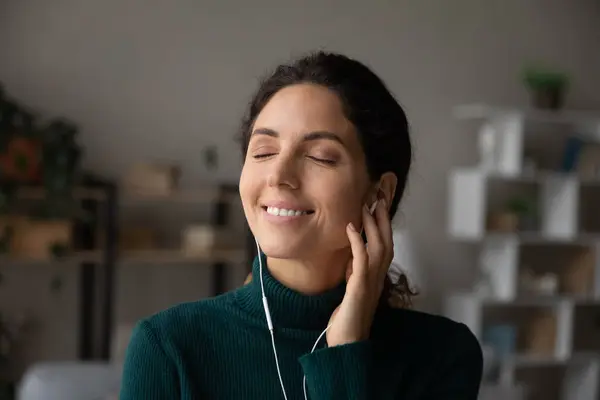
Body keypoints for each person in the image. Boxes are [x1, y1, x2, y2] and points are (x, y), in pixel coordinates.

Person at [119, 51, 483, 399]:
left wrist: (346, 352)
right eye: (263, 152)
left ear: (380, 194)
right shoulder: (168, 348)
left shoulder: (441, 356)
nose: (278, 175)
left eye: (320, 157)